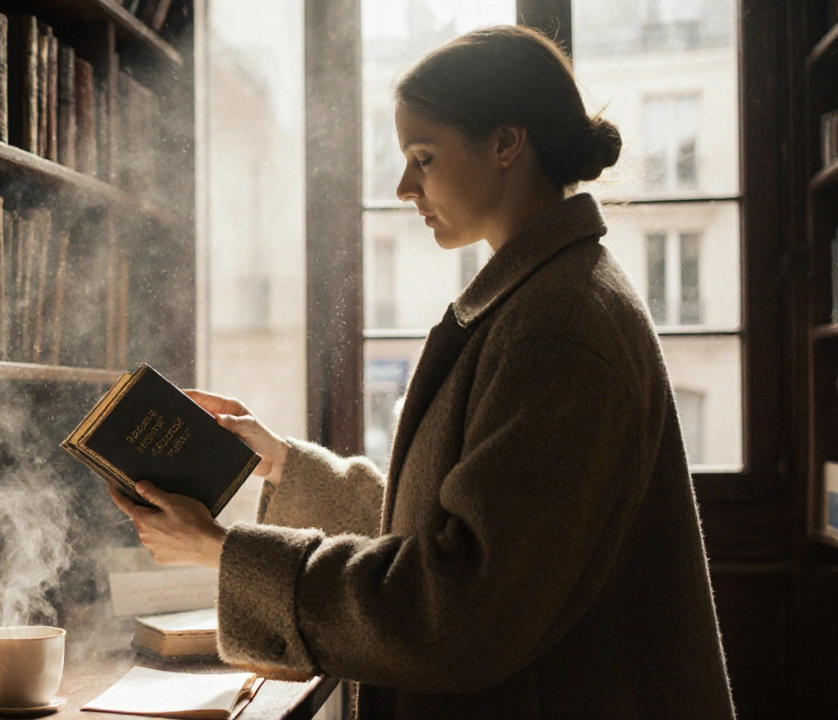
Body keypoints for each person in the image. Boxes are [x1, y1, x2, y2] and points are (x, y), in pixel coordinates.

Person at [107, 25, 736, 718]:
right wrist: (284, 466)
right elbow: (453, 527)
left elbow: (459, 606)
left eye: (424, 157)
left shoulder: (558, 329)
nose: (405, 186)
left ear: (505, 143)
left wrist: (221, 550)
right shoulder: (542, 297)